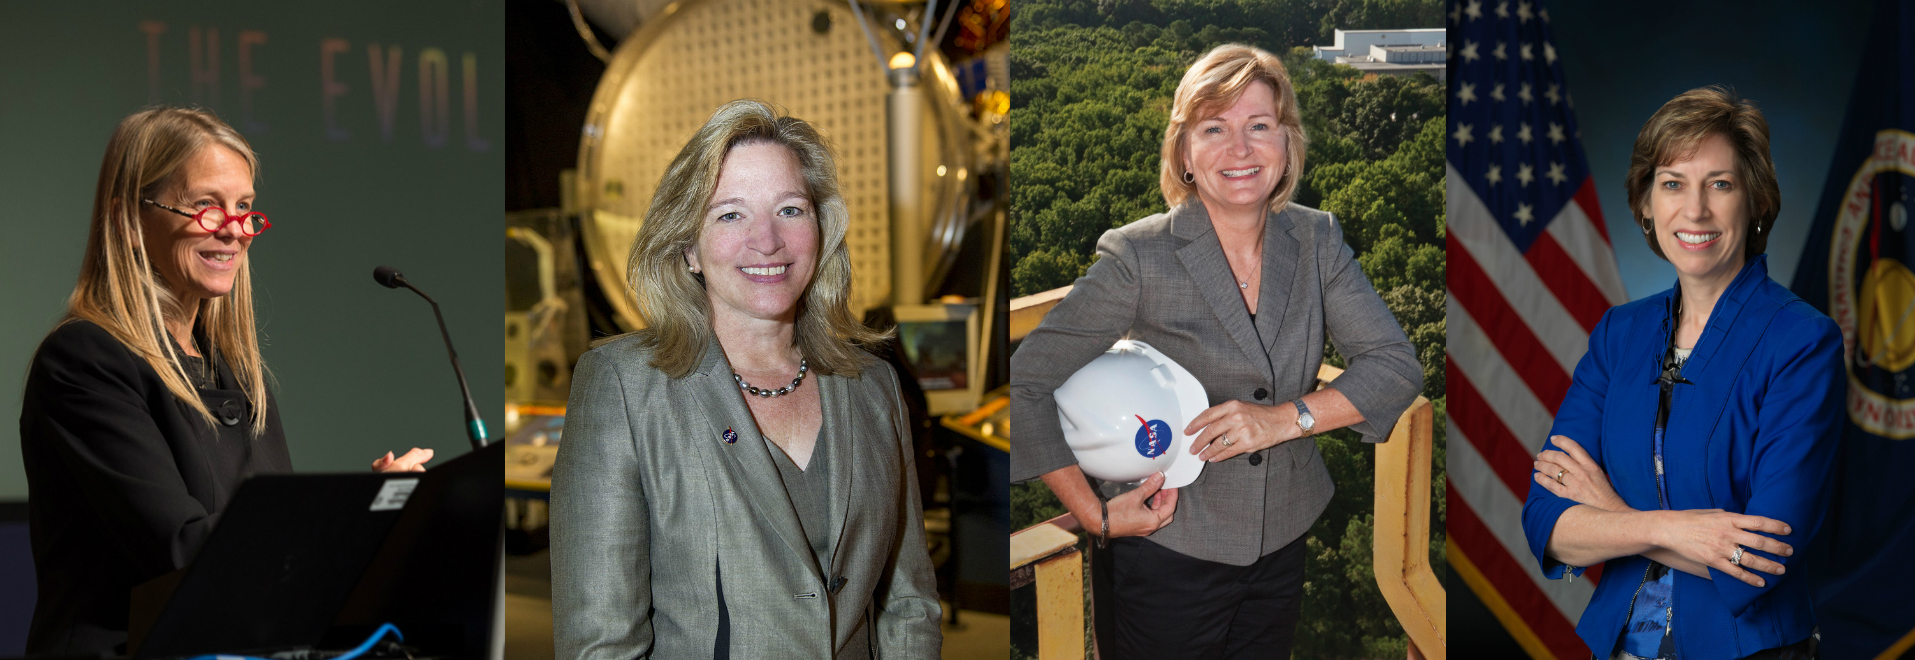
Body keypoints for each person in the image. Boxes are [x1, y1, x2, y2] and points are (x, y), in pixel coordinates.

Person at [1008, 44, 1424, 658]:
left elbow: (1394, 364)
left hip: (1283, 539)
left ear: (1287, 145)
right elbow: (1025, 382)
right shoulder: (1139, 258)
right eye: (1214, 129)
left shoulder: (1318, 239)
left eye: (1260, 126)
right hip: (1169, 545)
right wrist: (1095, 514)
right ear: (1183, 151)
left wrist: (1286, 419)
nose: (1240, 149)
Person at [18, 107, 432, 655]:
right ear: (128, 220)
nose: (236, 231)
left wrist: (372, 513)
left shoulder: (233, 371)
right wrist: (351, 516)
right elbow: (184, 553)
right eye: (207, 208)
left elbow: (272, 553)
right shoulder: (85, 360)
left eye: (245, 209)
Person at [549, 99, 942, 659]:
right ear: (689, 247)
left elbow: (909, 604)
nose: (768, 241)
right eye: (730, 214)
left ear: (821, 228)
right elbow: (601, 645)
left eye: (790, 209)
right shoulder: (624, 388)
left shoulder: (874, 387)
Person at [1521, 86, 1843, 660]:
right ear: (1646, 203)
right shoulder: (1619, 335)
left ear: (1755, 201)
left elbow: (1760, 562)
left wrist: (1614, 515)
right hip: (1622, 646)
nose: (1694, 210)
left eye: (1719, 184)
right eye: (1672, 183)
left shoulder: (1802, 342)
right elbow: (1547, 521)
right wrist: (1675, 530)